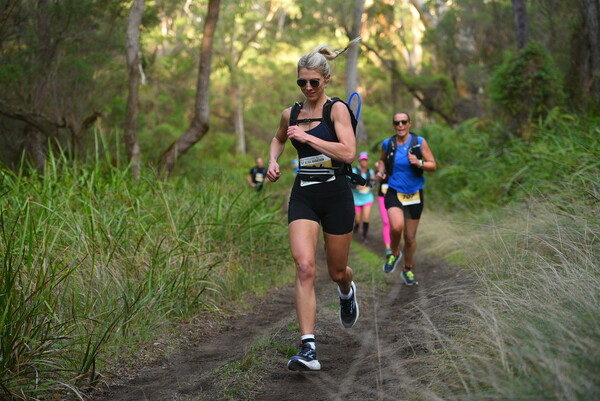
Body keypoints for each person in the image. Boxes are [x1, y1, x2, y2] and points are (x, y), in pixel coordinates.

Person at [266, 38, 361, 372]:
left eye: (314, 82)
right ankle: (308, 347)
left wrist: (308, 137)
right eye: (302, 82)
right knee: (305, 266)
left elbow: (348, 153)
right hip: (304, 194)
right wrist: (273, 160)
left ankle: (347, 290)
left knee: (336, 270)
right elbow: (278, 138)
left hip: (336, 195)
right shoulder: (290, 114)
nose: (308, 88)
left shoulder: (337, 110)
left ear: (326, 80)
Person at [377, 112, 437, 285]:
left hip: (414, 193)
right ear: (393, 125)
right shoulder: (388, 143)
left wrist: (419, 163)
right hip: (394, 190)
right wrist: (381, 171)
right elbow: (381, 160)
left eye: (404, 122)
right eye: (397, 123)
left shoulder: (419, 142)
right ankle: (395, 252)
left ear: (410, 123)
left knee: (410, 238)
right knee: (396, 227)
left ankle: (407, 269)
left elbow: (433, 165)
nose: (400, 125)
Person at [351, 152, 375, 244]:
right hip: (356, 198)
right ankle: (356, 226)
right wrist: (356, 187)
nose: (363, 162)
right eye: (362, 160)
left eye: (365, 160)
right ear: (359, 161)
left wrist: (372, 186)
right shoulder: (354, 171)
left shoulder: (370, 172)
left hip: (367, 197)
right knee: (358, 219)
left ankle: (364, 236)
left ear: (367, 161)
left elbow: (373, 183)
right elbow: (348, 183)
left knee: (366, 217)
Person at [374, 160, 392, 256]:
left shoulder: (396, 165)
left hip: (396, 197)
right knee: (386, 222)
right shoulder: (381, 165)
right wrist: (378, 169)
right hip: (382, 197)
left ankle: (395, 244)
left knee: (395, 223)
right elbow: (375, 177)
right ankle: (388, 248)